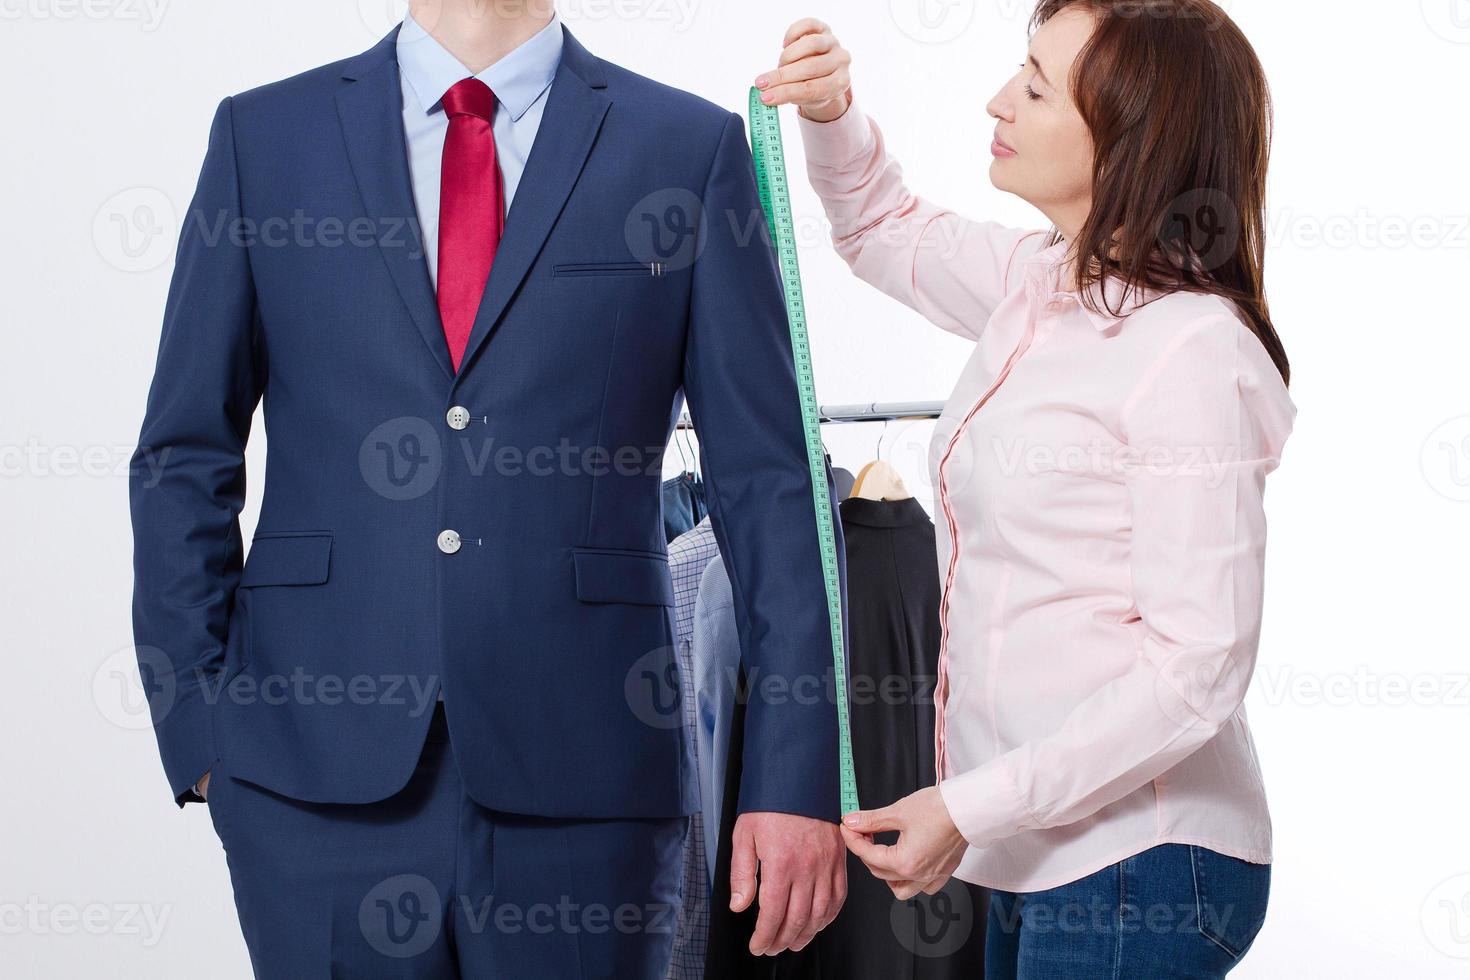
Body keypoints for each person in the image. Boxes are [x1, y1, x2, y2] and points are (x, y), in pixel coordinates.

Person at [128, 0, 847, 973]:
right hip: (309, 787)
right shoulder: (265, 139)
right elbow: (184, 452)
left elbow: (767, 481)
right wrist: (202, 731)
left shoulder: (687, 150)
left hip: (591, 788)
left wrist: (796, 773)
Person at [757, 1, 1294, 975]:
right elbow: (880, 225)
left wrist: (964, 805)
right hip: (1033, 850)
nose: (1000, 99)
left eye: (1038, 88)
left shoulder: (1190, 352)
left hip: (1142, 863)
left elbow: (1196, 667)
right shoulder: (1042, 284)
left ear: (1132, 138)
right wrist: (832, 112)